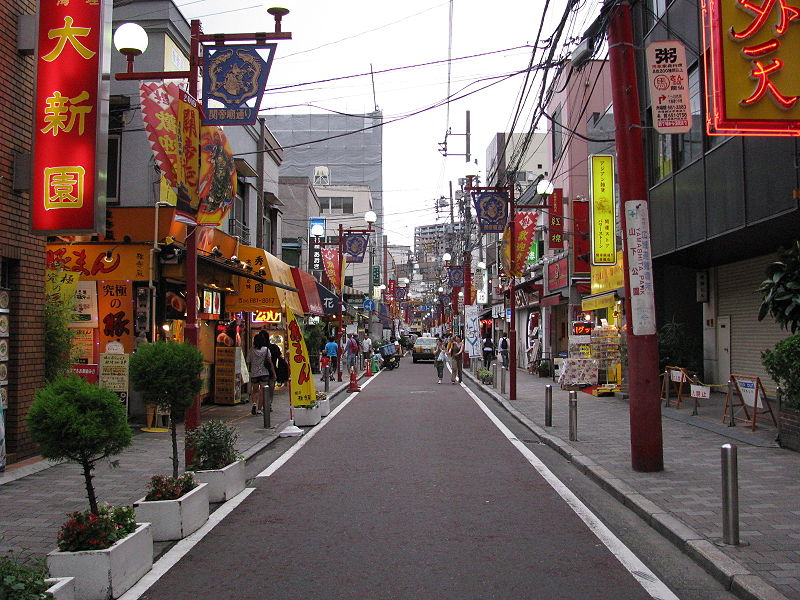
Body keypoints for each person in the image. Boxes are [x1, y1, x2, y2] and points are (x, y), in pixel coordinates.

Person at [247, 332, 276, 415]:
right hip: (264, 373)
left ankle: (254, 404)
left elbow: (248, 360)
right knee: (262, 392)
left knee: (255, 390)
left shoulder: (251, 350)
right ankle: (259, 410)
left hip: (254, 373)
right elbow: (270, 363)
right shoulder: (266, 350)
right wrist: (273, 374)